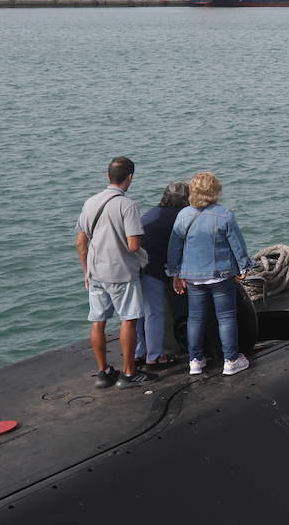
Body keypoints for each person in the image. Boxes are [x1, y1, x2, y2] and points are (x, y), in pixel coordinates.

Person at [75, 156, 159, 389]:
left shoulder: (90, 202)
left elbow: (81, 242)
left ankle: (103, 373)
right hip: (121, 273)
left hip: (95, 273)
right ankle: (129, 373)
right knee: (128, 320)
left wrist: (86, 271)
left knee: (98, 321)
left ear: (107, 176)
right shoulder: (127, 205)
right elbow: (133, 245)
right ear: (130, 177)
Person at [166, 172, 255, 376]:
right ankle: (231, 360)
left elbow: (174, 248)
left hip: (193, 276)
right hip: (221, 274)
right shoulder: (224, 214)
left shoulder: (183, 215)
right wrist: (244, 267)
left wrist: (175, 274)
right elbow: (237, 245)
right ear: (214, 190)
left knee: (196, 318)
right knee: (226, 318)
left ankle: (195, 360)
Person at [135, 181, 188, 368]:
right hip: (153, 266)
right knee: (154, 312)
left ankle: (139, 352)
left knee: (139, 312)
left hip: (135, 264)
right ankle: (155, 357)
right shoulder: (180, 216)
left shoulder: (151, 213)